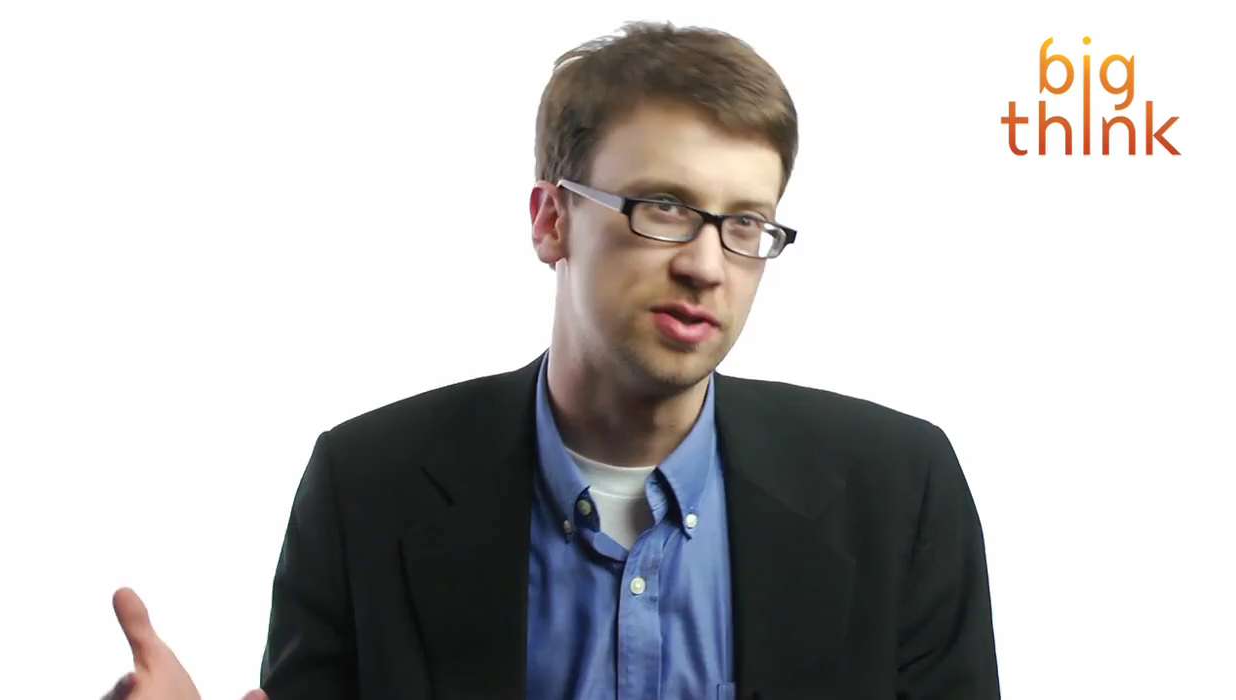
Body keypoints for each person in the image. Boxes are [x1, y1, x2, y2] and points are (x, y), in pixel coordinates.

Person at [105, 20, 999, 700]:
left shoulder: (899, 490)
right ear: (550, 221)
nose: (706, 263)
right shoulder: (365, 488)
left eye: (745, 223)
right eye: (662, 207)